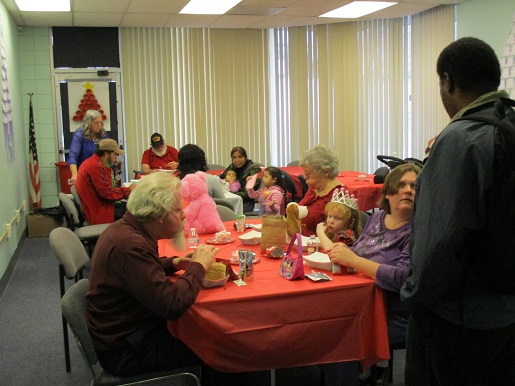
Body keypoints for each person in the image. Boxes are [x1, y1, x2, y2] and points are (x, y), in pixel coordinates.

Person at [400, 37, 515, 385]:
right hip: (507, 311)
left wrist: (413, 295)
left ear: (448, 81)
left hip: (458, 319)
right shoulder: (509, 126)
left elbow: (439, 240)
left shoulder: (459, 139)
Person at [86, 172, 219, 377]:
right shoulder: (131, 246)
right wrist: (198, 267)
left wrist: (174, 263)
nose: (183, 215)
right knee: (218, 347)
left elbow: (142, 270)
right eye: (177, 210)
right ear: (158, 214)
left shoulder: (128, 230)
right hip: (126, 350)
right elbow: (172, 304)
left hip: (125, 333)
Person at [322, 163, 420, 386]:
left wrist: (355, 261)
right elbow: (359, 249)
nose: (408, 190)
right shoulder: (376, 219)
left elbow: (401, 278)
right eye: (401, 185)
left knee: (341, 345)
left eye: (414, 186)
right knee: (321, 327)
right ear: (388, 192)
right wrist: (345, 254)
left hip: (393, 313)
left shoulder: (417, 230)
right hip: (359, 304)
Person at [286, 144, 342, 237]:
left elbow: (334, 234)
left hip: (320, 245)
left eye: (308, 173)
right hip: (301, 240)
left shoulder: (338, 195)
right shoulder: (314, 188)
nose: (304, 177)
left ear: (326, 172)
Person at [76, 139, 133, 225]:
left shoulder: (96, 162)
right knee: (139, 211)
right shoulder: (96, 166)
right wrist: (128, 190)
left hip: (100, 206)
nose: (116, 158)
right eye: (115, 154)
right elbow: (107, 193)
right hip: (100, 212)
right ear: (106, 154)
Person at [68, 109, 107, 184]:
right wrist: (75, 175)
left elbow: (107, 153)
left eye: (100, 122)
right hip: (85, 174)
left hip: (100, 174)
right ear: (88, 123)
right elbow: (72, 156)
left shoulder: (102, 134)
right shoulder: (79, 135)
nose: (99, 125)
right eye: (96, 123)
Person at [219, 146, 261, 213]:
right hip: (233, 198)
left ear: (245, 157)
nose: (237, 160)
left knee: (222, 210)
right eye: (234, 158)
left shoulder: (253, 169)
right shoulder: (233, 166)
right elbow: (221, 177)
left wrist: (232, 194)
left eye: (240, 157)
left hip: (246, 203)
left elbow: (248, 194)